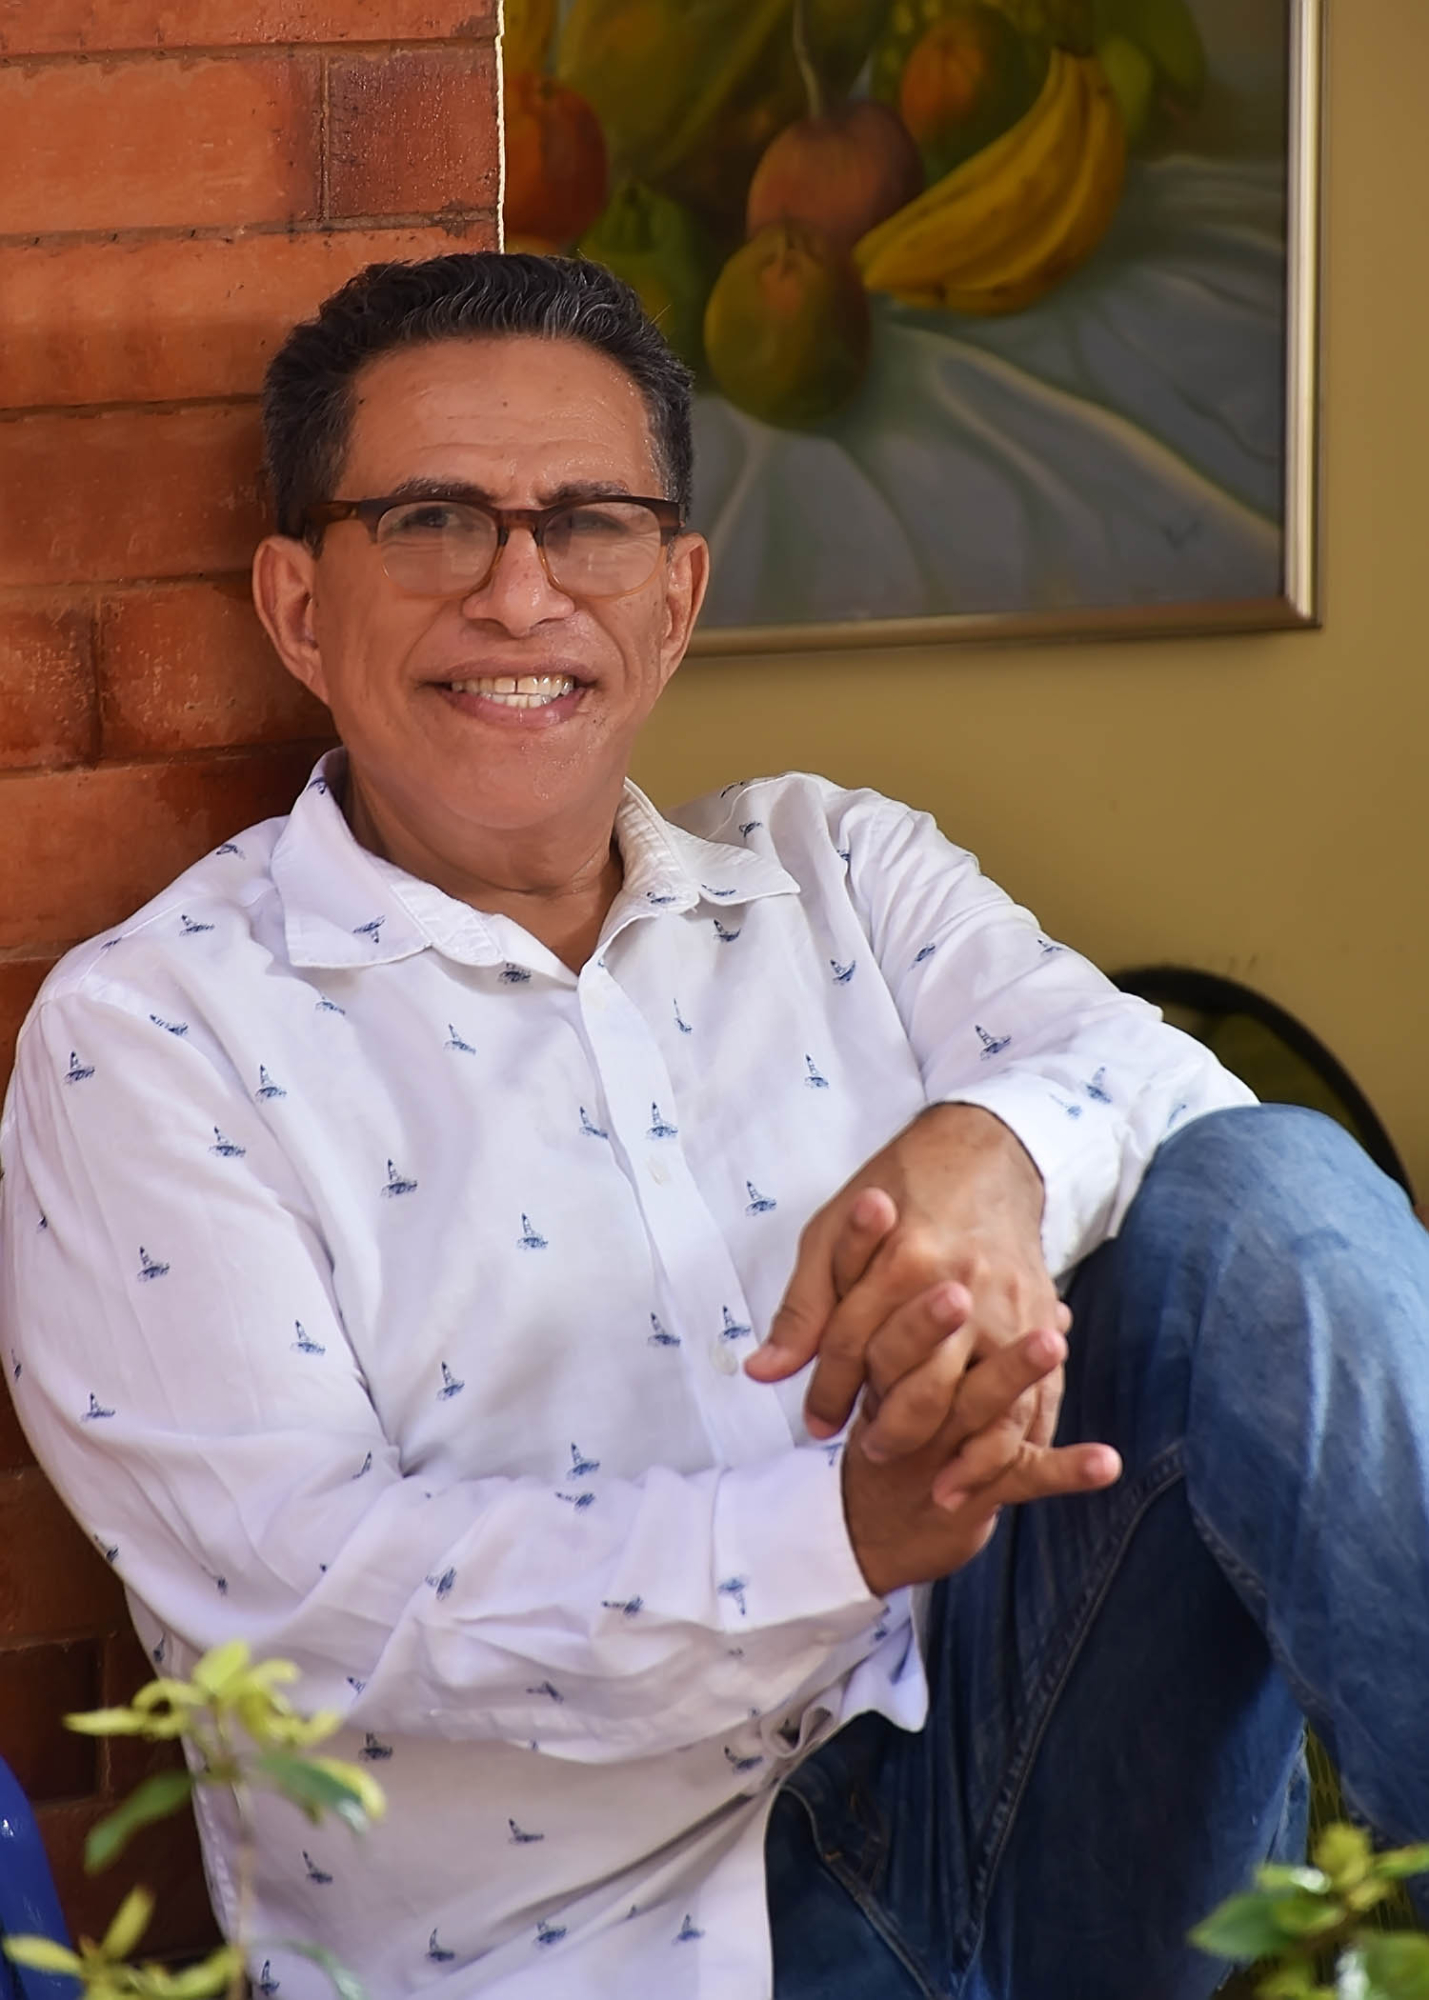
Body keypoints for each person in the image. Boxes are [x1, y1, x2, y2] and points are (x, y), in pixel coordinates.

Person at [1, 253, 1426, 2000]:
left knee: (1264, 1190)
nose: (520, 592)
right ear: (299, 606)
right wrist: (836, 1538)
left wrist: (992, 1149)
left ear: (673, 598)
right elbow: (311, 1614)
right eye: (434, 521)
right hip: (615, 1947)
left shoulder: (841, 869)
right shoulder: (154, 1037)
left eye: (588, 523)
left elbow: (1184, 1111)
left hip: (1041, 1798)